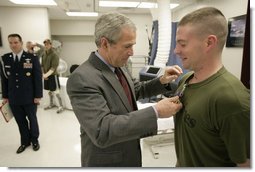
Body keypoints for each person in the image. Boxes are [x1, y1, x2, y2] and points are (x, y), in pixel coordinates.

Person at [66, 12, 183, 167]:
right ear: (105, 43)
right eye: (127, 46)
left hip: (129, 153)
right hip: (108, 161)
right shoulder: (82, 78)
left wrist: (162, 81)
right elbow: (102, 130)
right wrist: (156, 111)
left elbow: (135, 90)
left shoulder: (119, 65)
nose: (132, 52)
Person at [173, 7, 250, 167]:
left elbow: (246, 165)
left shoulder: (231, 99)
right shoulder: (185, 80)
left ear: (209, 43)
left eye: (183, 44)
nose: (176, 51)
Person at [0, 33, 43, 153]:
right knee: (20, 121)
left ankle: (34, 140)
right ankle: (24, 142)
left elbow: (37, 78)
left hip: (30, 97)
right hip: (14, 98)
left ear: (21, 43)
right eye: (10, 43)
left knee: (32, 119)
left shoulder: (32, 58)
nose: (13, 45)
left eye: (15, 42)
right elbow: (4, 79)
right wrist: (5, 96)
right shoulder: (5, 59)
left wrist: (38, 96)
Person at [41, 39, 64, 113]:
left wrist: (45, 75)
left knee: (56, 92)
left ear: (51, 45)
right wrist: (43, 75)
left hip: (53, 76)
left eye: (48, 44)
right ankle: (51, 104)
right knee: (50, 92)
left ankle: (61, 106)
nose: (46, 46)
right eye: (45, 44)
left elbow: (53, 67)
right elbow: (42, 65)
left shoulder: (54, 54)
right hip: (46, 76)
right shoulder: (44, 54)